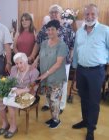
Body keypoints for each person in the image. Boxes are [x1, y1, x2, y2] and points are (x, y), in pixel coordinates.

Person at [72, 4, 109, 140]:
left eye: (92, 14)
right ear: (84, 16)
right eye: (87, 14)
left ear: (97, 15)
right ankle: (85, 121)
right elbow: (76, 52)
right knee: (84, 98)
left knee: (93, 101)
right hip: (81, 70)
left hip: (96, 71)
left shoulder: (105, 30)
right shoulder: (79, 32)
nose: (89, 16)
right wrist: (75, 72)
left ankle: (91, 129)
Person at [29, 4, 75, 113]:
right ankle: (47, 103)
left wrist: (71, 57)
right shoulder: (45, 27)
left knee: (61, 84)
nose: (54, 14)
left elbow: (72, 44)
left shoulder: (67, 27)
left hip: (63, 62)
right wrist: (34, 58)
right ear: (49, 15)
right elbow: (38, 43)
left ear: (60, 14)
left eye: (56, 12)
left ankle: (61, 105)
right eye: (52, 12)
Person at [0, 52, 39, 138]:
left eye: (21, 63)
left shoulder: (34, 71)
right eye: (16, 63)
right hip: (15, 91)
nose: (18, 65)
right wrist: (3, 87)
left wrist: (22, 90)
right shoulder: (14, 69)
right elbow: (10, 82)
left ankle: (13, 127)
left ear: (26, 61)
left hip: (29, 95)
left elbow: (33, 87)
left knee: (10, 103)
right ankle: (5, 124)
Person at [38, 20, 68, 128]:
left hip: (56, 78)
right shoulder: (44, 43)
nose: (50, 32)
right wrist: (31, 65)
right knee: (48, 98)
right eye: (48, 29)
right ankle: (53, 117)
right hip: (46, 78)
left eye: (53, 29)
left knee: (54, 99)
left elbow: (58, 64)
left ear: (58, 30)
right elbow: (39, 56)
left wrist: (44, 74)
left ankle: (56, 120)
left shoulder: (62, 45)